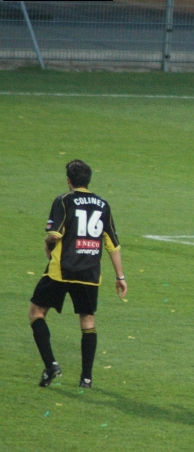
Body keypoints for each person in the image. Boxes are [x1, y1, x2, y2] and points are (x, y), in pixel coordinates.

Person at [29, 160, 128, 388]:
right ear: (88, 180)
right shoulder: (103, 204)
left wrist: (47, 243)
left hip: (61, 271)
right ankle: (86, 378)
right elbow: (113, 243)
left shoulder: (64, 200)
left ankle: (51, 365)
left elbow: (54, 235)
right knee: (87, 320)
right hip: (90, 272)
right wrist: (120, 277)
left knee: (36, 312)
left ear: (69, 181)